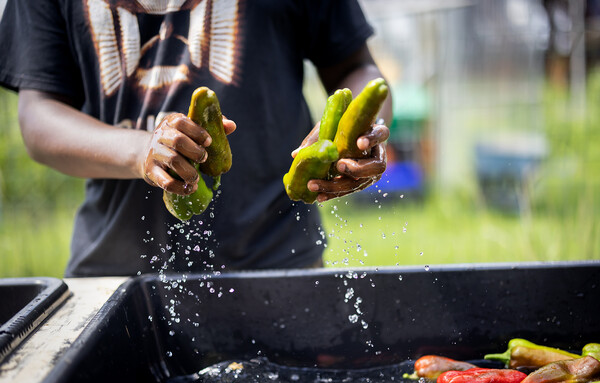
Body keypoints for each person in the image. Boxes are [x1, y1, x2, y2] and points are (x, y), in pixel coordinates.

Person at [0, 0, 392, 277]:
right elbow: (39, 118)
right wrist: (141, 151)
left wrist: (360, 135)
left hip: (278, 266)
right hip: (115, 275)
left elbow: (355, 67)